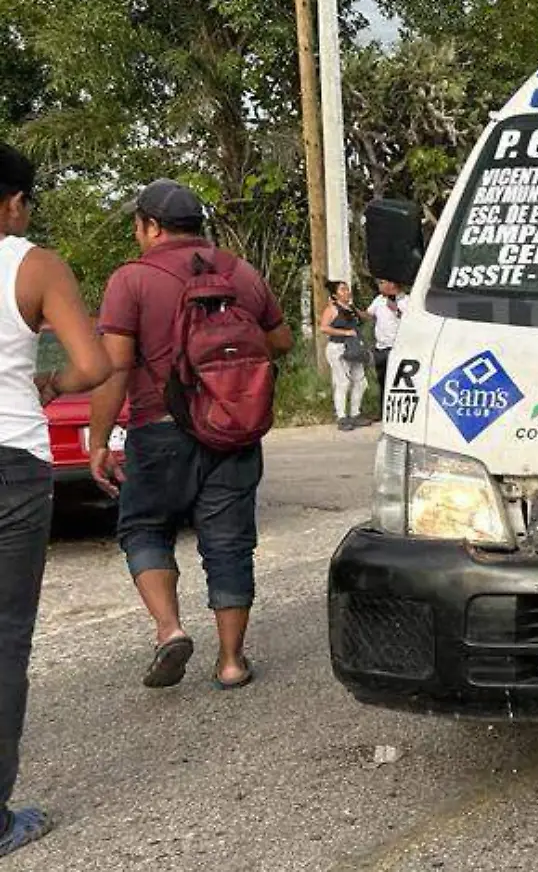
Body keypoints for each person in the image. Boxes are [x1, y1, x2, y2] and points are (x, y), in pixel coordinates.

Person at [87, 180, 293, 692]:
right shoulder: (240, 271)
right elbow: (280, 341)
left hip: (158, 429)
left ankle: (170, 629)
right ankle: (230, 662)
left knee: (144, 528)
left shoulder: (130, 280)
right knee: (228, 544)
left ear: (150, 226)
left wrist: (97, 441)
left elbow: (114, 369)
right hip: (232, 428)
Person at [0, 145, 109, 856]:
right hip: (11, 463)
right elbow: (96, 362)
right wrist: (56, 384)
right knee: (5, 638)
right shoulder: (32, 264)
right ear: (13, 202)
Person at [319, 281, 369, 431]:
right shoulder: (332, 309)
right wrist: (345, 333)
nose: (347, 291)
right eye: (343, 289)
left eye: (347, 289)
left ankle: (355, 414)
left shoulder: (351, 308)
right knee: (343, 382)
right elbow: (324, 328)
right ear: (335, 294)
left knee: (361, 381)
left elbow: (366, 317)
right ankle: (341, 416)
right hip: (338, 348)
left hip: (353, 348)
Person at [364, 279, 408, 403]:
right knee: (382, 381)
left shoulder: (407, 300)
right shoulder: (379, 300)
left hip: (397, 349)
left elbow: (411, 321)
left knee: (397, 383)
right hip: (381, 349)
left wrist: (396, 310)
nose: (379, 285)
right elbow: (368, 315)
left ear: (392, 284)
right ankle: (383, 411)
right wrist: (351, 309)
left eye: (382, 282)